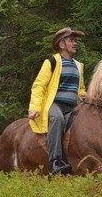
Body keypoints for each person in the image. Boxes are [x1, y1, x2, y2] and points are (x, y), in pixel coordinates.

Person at [28, 27, 87, 175]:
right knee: (57, 118)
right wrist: (34, 107)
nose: (75, 43)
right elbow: (39, 85)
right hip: (55, 105)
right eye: (71, 40)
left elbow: (79, 88)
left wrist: (84, 95)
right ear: (62, 45)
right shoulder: (52, 62)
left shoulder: (79, 66)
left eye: (75, 41)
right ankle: (55, 161)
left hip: (73, 107)